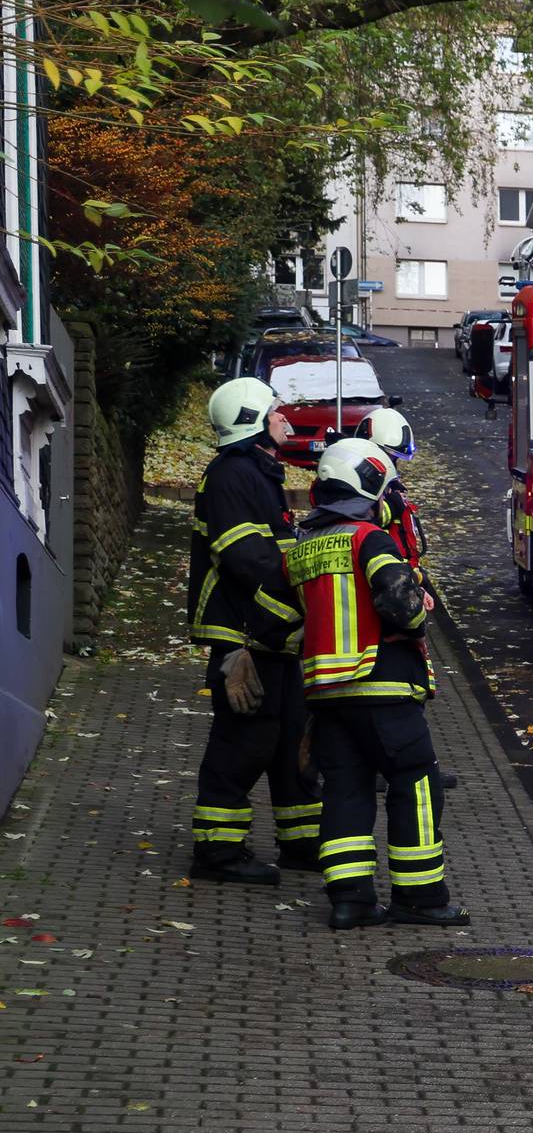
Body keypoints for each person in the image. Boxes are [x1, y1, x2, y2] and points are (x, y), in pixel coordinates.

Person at [287, 438, 468, 931]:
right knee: (416, 783)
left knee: (346, 790)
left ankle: (351, 901)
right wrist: (417, 611)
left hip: (326, 697)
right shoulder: (369, 538)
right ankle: (420, 898)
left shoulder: (302, 546)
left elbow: (275, 618)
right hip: (383, 687)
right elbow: (402, 605)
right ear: (369, 488)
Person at [184, 377, 311, 885]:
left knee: (289, 738)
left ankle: (302, 842)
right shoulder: (232, 475)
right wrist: (301, 591)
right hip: (245, 635)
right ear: (251, 420)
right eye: (275, 410)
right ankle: (217, 853)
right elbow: (248, 559)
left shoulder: (255, 471)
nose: (284, 418)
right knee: (244, 741)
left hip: (270, 632)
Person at [364, 409, 427, 570]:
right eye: (389, 458)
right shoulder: (357, 480)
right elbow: (361, 519)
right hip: (383, 571)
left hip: (400, 569)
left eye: (394, 460)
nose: (391, 465)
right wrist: (393, 506)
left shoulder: (388, 485)